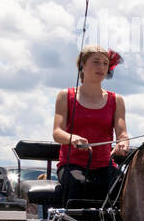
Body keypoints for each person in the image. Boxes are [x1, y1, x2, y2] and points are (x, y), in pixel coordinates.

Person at [52, 45, 128, 203]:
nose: (101, 67)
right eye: (96, 62)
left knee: (122, 186)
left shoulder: (117, 100)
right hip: (72, 165)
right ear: (83, 65)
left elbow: (122, 134)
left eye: (105, 64)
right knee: (79, 184)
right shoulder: (65, 96)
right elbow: (57, 132)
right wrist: (72, 138)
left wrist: (123, 143)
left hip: (104, 165)